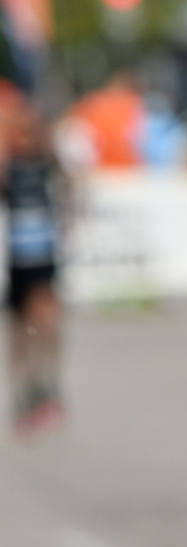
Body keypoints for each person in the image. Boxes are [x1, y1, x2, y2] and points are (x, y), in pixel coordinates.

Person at [2, 98, 64, 434]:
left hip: (43, 257)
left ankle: (48, 383)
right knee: (19, 328)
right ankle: (24, 390)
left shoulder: (47, 165)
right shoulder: (9, 168)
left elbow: (71, 189)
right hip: (16, 260)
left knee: (47, 320)